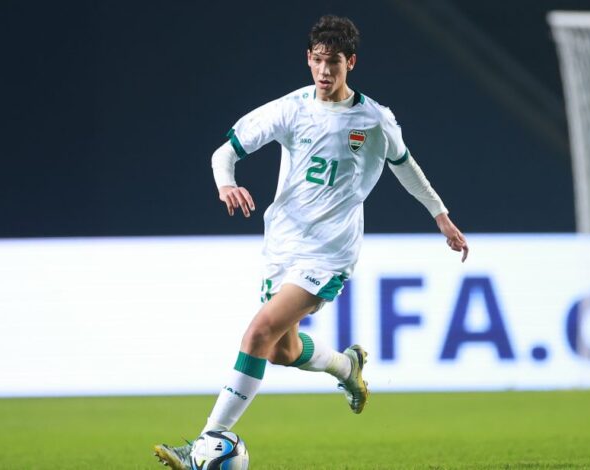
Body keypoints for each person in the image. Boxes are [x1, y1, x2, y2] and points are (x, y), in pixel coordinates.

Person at [154, 14, 468, 469]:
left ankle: (207, 441)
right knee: (280, 350)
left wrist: (440, 215)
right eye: (318, 60)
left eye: (333, 62)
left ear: (350, 63)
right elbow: (224, 153)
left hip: (329, 253)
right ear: (308, 58)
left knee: (258, 333)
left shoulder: (374, 119)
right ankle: (346, 367)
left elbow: (405, 166)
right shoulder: (291, 109)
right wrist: (226, 183)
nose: (324, 71)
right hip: (282, 245)